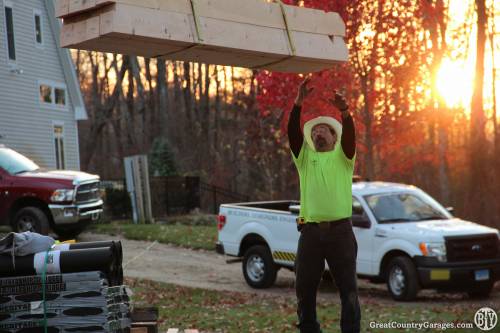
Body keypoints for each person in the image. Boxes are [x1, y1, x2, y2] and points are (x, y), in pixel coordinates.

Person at [288, 77, 361, 333]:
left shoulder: (344, 158)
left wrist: (345, 112)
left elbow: (351, 135)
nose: (318, 132)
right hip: (310, 233)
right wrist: (298, 104)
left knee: (349, 291)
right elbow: (294, 134)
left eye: (324, 130)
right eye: (315, 130)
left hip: (341, 233)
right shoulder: (305, 160)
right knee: (304, 290)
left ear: (334, 137)